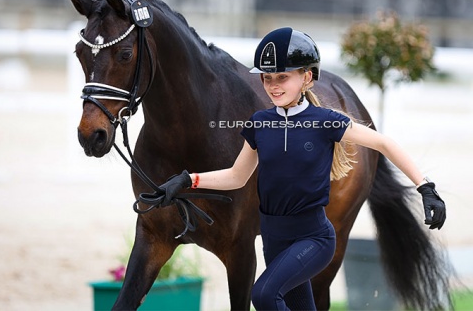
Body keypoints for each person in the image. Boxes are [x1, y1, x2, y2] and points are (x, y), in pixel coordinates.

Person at [158, 27, 446, 310]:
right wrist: (187, 180)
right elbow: (236, 176)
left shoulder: (325, 121)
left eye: (282, 77)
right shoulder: (259, 123)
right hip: (273, 240)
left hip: (313, 239)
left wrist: (425, 187)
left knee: (264, 296)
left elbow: (383, 144)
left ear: (307, 77)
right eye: (267, 78)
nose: (272, 85)